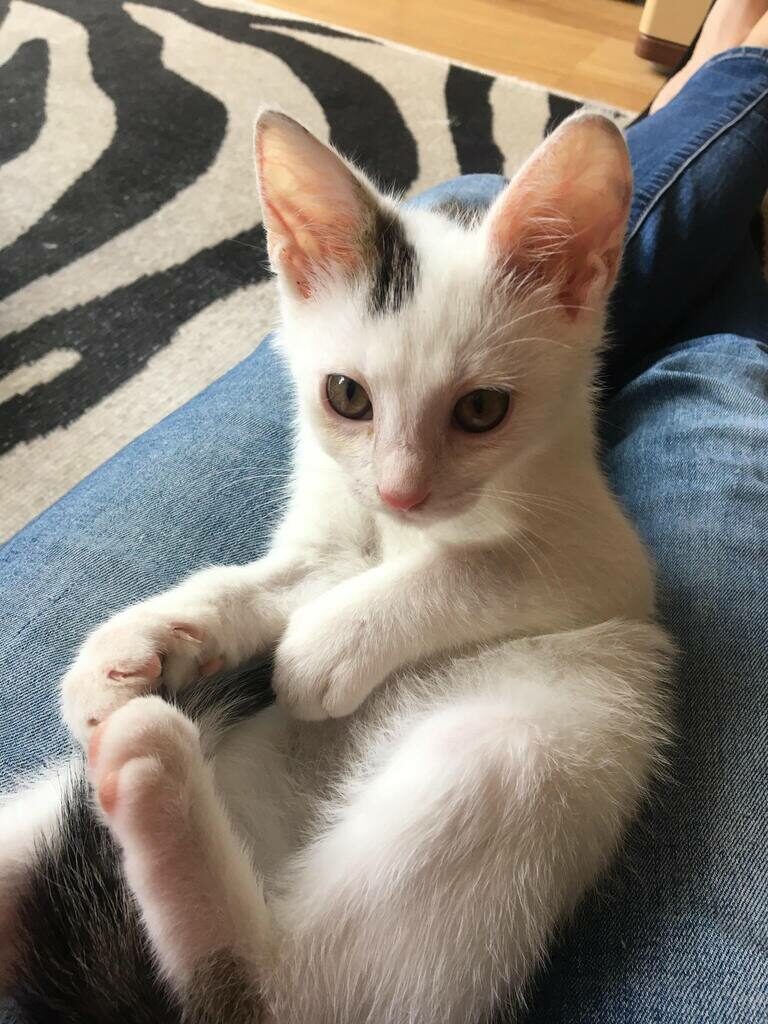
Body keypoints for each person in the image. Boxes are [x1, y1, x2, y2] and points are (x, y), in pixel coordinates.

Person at [1, 0, 766, 1019]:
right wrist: (200, 612)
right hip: (296, 788)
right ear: (299, 262)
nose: (400, 482)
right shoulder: (375, 386)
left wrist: (387, 607)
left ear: (573, 288)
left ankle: (248, 989)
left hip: (502, 706)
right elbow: (306, 571)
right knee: (720, 371)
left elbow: (605, 582)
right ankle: (737, 123)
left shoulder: (497, 416)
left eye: (476, 411)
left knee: (513, 757)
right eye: (350, 401)